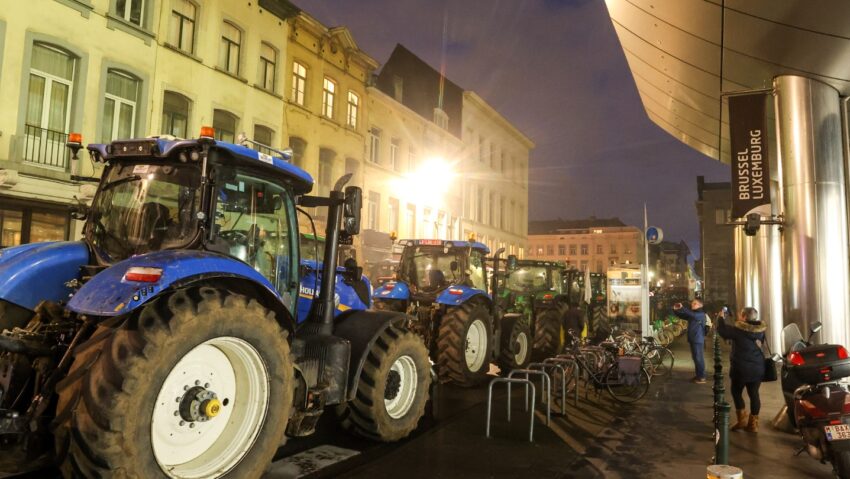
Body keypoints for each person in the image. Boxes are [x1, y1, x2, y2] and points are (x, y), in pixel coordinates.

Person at [716, 306, 766, 433]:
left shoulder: (738, 330)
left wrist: (721, 317)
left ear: (744, 317)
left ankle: (742, 421)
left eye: (740, 314)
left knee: (736, 392)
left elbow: (722, 331)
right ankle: (753, 425)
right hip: (757, 367)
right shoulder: (761, 330)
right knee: (754, 394)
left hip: (741, 368)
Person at [673, 298, 707, 383]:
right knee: (695, 358)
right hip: (694, 339)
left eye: (695, 303)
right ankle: (698, 375)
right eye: (692, 303)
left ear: (700, 305)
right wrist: (675, 310)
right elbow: (682, 315)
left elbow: (692, 315)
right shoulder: (694, 314)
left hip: (697, 339)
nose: (692, 304)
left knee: (699, 358)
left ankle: (702, 377)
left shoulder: (701, 314)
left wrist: (682, 308)